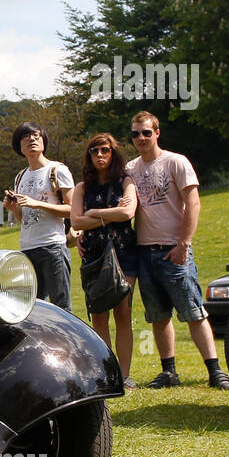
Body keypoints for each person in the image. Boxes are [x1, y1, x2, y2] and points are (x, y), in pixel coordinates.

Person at [125, 111, 229, 390]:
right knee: (158, 316)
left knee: (194, 311)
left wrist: (184, 244)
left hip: (174, 250)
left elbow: (193, 203)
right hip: (144, 252)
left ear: (157, 133)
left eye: (146, 132)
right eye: (135, 134)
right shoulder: (130, 168)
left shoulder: (176, 162)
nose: (141, 138)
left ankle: (215, 370)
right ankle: (168, 371)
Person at [71, 134, 139, 387]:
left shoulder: (126, 181)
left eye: (105, 150)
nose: (100, 155)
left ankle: (124, 375)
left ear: (113, 153)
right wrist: (112, 215)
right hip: (94, 256)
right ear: (88, 156)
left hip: (124, 253)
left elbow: (128, 212)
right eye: (94, 151)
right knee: (99, 316)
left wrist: (96, 213)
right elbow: (76, 221)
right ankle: (107, 375)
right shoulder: (82, 188)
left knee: (123, 313)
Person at [4, 122, 74, 312]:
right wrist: (14, 208)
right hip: (27, 248)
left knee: (62, 308)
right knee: (34, 310)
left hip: (53, 247)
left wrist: (37, 203)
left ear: (44, 141)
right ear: (19, 146)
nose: (32, 140)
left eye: (36, 136)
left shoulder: (58, 170)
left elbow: (73, 209)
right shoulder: (20, 177)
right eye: (25, 137)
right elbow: (23, 218)